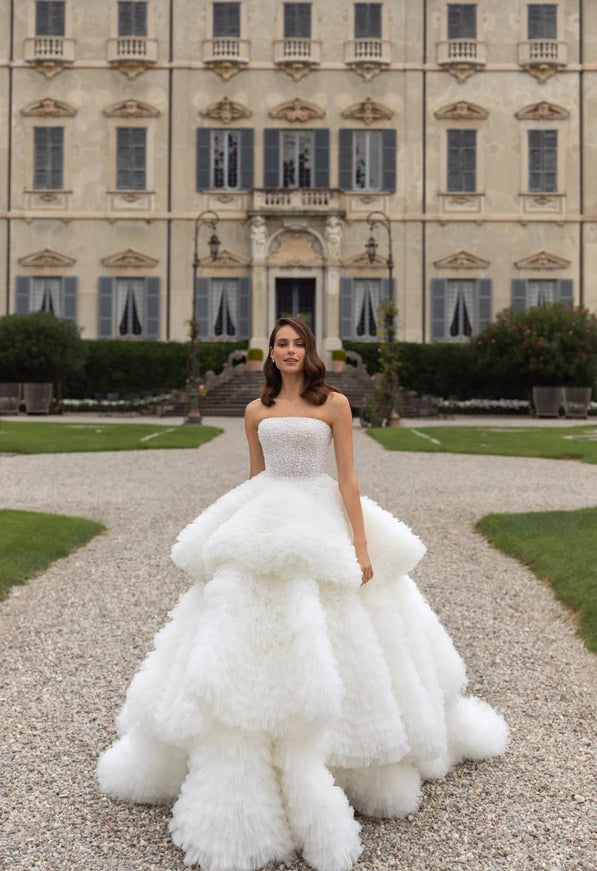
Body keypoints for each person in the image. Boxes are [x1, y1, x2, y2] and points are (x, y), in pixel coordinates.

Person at [97, 317, 509, 871]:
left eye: (297, 344)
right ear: (271, 353)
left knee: (343, 616)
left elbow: (348, 478)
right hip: (265, 513)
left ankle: (342, 755)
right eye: (281, 344)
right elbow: (255, 478)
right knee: (236, 614)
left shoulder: (334, 403)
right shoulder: (255, 410)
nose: (289, 351)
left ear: (308, 352)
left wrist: (360, 545)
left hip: (319, 514)